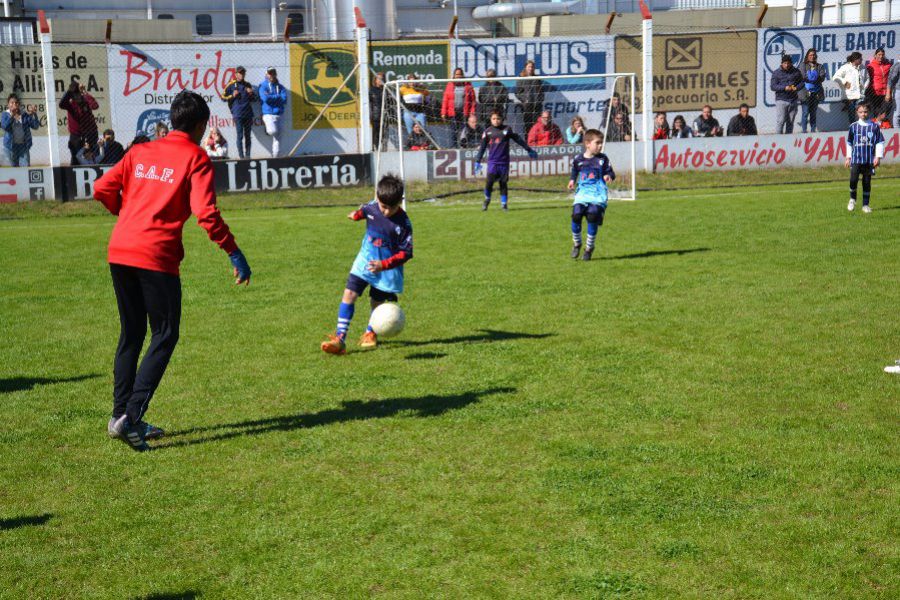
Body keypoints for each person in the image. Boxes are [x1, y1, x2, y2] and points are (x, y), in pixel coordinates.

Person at [93, 90, 251, 452]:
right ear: (199, 126)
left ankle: (119, 416)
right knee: (164, 334)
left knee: (132, 333)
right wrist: (234, 252)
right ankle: (130, 418)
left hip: (120, 250)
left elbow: (102, 187)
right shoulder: (195, 156)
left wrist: (126, 213)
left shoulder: (140, 151)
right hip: (156, 255)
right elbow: (206, 214)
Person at [320, 174, 412, 355]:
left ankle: (371, 332)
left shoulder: (404, 223)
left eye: (391, 208)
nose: (386, 212)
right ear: (377, 198)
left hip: (386, 270)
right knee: (349, 294)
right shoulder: (372, 207)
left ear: (400, 202)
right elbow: (364, 211)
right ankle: (340, 339)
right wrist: (356, 215)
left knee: (376, 302)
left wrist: (384, 264)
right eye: (383, 206)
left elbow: (407, 252)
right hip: (364, 261)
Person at [474, 110, 538, 211]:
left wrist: (528, 149)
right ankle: (487, 199)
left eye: (498, 119)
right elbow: (482, 147)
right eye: (494, 119)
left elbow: (518, 139)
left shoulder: (507, 129)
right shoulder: (487, 132)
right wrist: (478, 160)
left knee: (503, 183)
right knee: (489, 182)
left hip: (504, 162)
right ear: (490, 120)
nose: (496, 121)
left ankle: (504, 204)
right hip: (492, 162)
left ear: (502, 119)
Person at [567, 129, 614, 262]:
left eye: (601, 143)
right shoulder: (578, 159)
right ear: (587, 144)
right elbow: (575, 171)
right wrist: (572, 180)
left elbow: (611, 172)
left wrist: (608, 175)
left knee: (592, 214)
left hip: (598, 194)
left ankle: (589, 248)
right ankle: (577, 243)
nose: (600, 145)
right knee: (576, 214)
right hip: (583, 193)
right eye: (597, 143)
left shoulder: (603, 159)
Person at [845, 103, 884, 214]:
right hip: (856, 159)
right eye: (861, 112)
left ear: (869, 112)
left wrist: (878, 157)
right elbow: (849, 143)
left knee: (866, 182)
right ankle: (852, 199)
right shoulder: (853, 126)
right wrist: (848, 157)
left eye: (865, 111)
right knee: (853, 180)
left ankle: (865, 205)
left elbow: (879, 142)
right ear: (857, 112)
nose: (863, 114)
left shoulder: (875, 126)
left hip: (869, 160)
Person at [59, 81, 99, 165]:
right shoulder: (70, 103)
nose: (77, 96)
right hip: (76, 135)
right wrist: (69, 91)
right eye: (76, 92)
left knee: (91, 156)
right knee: (75, 157)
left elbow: (95, 106)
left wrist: (84, 92)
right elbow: (61, 104)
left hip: (90, 132)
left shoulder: (86, 100)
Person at [222, 65, 255, 159]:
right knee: (240, 136)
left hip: (248, 113)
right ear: (236, 74)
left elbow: (254, 99)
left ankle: (248, 156)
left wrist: (251, 93)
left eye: (243, 73)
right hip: (238, 114)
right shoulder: (231, 84)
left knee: (248, 136)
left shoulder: (248, 85)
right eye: (240, 73)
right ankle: (241, 157)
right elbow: (222, 97)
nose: (242, 75)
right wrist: (232, 95)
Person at [1, 93, 39, 167]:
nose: (14, 104)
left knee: (26, 168)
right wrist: (12, 115)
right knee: (14, 170)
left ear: (19, 104)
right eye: (12, 102)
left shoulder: (24, 114)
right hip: (10, 147)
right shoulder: (5, 114)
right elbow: (5, 127)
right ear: (8, 105)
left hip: (23, 146)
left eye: (16, 102)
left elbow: (35, 126)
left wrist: (34, 114)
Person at [441, 67, 476, 144]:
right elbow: (445, 99)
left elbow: (473, 100)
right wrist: (443, 112)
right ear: (454, 75)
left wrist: (472, 112)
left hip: (464, 112)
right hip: (453, 112)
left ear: (462, 75)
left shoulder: (468, 85)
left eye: (460, 74)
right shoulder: (449, 85)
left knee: (464, 131)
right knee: (453, 131)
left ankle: (464, 146)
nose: (458, 76)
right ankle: (453, 147)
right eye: (456, 74)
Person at [259, 66, 287, 157]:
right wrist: (277, 96)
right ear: (266, 74)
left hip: (279, 114)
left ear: (275, 74)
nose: (271, 75)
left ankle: (276, 156)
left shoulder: (280, 86)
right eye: (270, 73)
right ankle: (267, 129)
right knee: (272, 131)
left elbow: (284, 99)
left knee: (278, 137)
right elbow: (265, 99)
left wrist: (272, 96)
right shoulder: (263, 86)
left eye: (273, 73)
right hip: (268, 114)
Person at [770, 54, 802, 134]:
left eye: (788, 63)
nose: (786, 65)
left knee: (790, 122)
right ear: (781, 63)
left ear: (791, 63)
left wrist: (796, 88)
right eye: (785, 63)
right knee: (781, 121)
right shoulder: (776, 73)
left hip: (793, 100)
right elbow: (773, 86)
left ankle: (788, 141)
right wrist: (784, 88)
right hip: (781, 100)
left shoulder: (796, 72)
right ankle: (778, 141)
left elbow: (802, 82)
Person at [799, 49, 826, 133]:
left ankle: (813, 131)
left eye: (814, 55)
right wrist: (813, 78)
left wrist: (812, 77)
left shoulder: (820, 66)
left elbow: (822, 77)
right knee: (805, 112)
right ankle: (804, 131)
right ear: (807, 56)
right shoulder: (803, 65)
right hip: (805, 93)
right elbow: (803, 77)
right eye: (810, 55)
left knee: (813, 113)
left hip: (816, 93)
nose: (812, 56)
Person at [833, 52, 865, 124]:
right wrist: (844, 82)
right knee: (852, 113)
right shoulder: (846, 67)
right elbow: (835, 77)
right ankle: (852, 127)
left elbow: (867, 78)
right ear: (855, 59)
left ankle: (861, 126)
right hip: (850, 95)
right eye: (860, 59)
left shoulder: (862, 67)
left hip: (860, 94)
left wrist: (864, 87)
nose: (862, 60)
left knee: (862, 111)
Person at [514, 60, 545, 132]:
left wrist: (540, 100)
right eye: (529, 66)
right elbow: (517, 93)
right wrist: (525, 100)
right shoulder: (521, 78)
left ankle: (537, 142)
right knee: (528, 126)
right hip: (527, 107)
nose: (531, 68)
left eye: (532, 67)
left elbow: (541, 91)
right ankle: (528, 142)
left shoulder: (537, 79)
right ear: (525, 67)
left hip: (537, 106)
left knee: (538, 125)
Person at [864, 48, 892, 120]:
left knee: (886, 110)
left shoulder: (888, 65)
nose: (881, 56)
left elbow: (891, 77)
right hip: (874, 93)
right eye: (879, 54)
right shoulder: (870, 66)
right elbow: (867, 79)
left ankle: (881, 123)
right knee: (876, 112)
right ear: (875, 55)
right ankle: (877, 126)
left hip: (885, 92)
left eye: (882, 55)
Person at [369, 72, 385, 148]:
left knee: (383, 132)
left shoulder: (386, 89)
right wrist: (371, 114)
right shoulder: (371, 90)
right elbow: (369, 103)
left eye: (382, 79)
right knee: (375, 131)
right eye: (378, 79)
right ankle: (375, 146)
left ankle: (381, 145)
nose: (380, 80)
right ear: (375, 80)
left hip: (385, 114)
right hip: (376, 114)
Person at [889, 59, 900, 127]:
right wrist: (888, 91)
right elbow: (890, 79)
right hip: (898, 90)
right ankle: (897, 131)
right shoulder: (897, 65)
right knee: (897, 113)